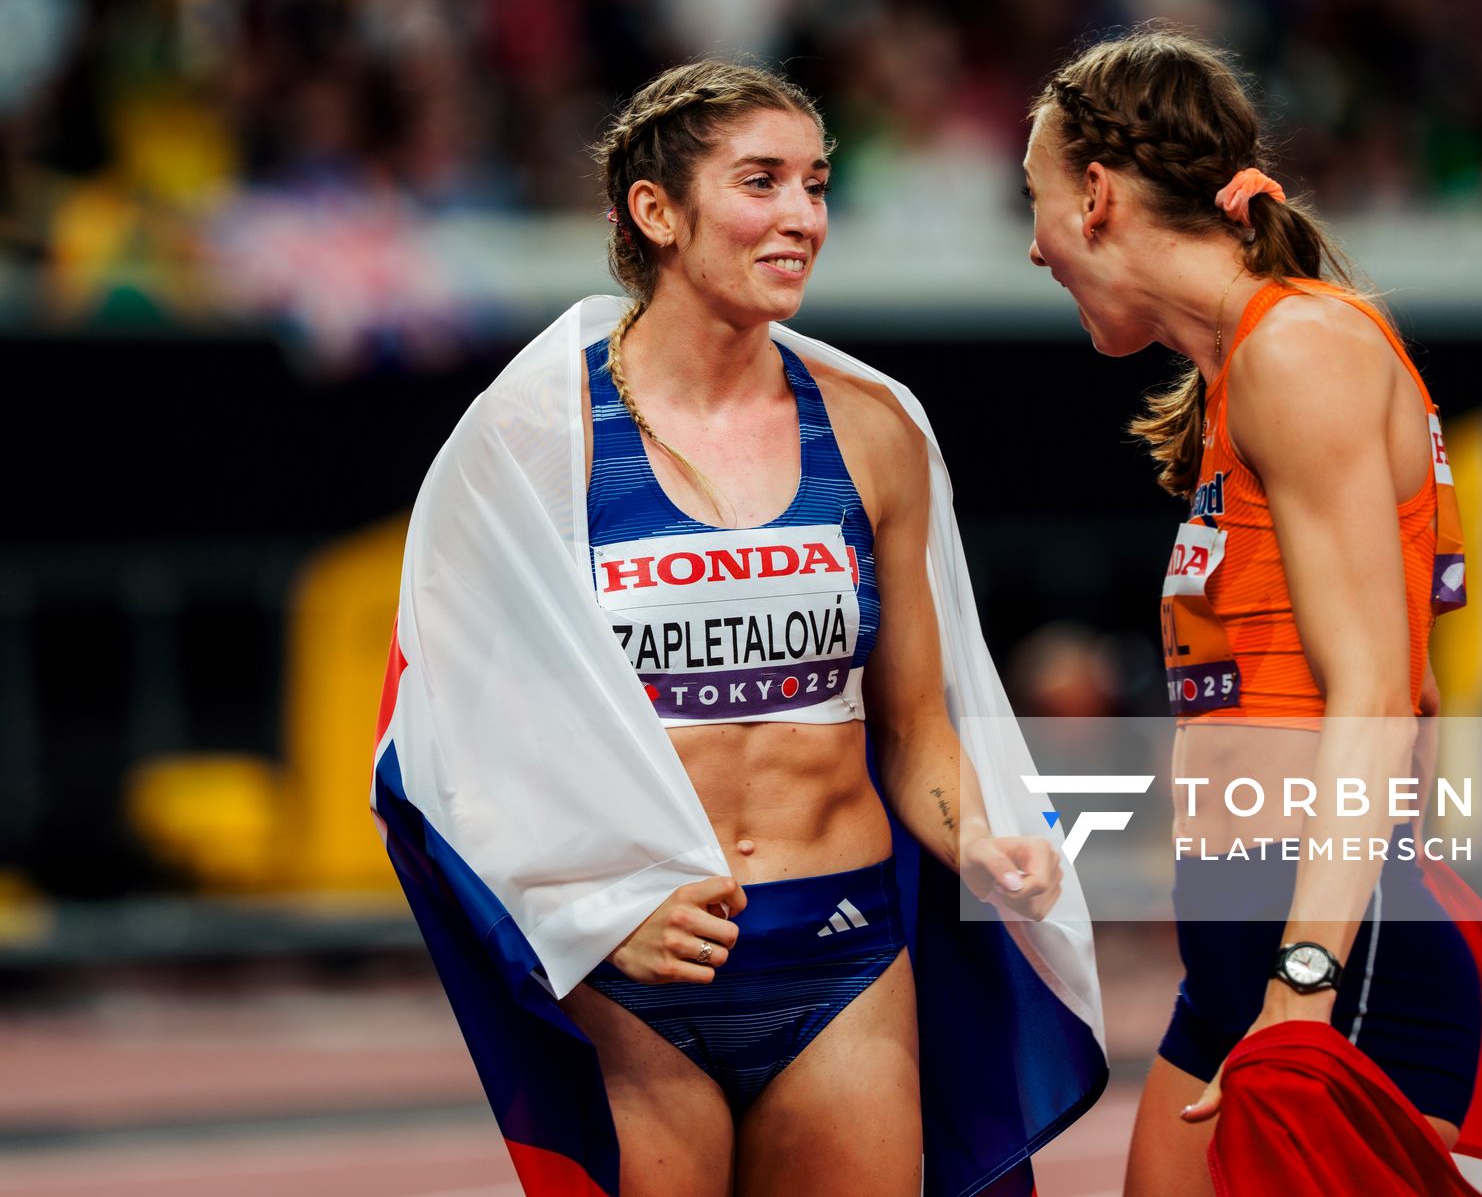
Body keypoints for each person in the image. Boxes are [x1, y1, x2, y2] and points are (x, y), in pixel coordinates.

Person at [373, 59, 1106, 1197]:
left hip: (845, 949)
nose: (803, 217)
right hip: (641, 975)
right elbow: (450, 739)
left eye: (816, 183)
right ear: (655, 211)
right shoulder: (528, 441)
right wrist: (593, 917)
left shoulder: (875, 432)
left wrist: (981, 841)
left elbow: (916, 730)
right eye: (760, 182)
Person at [1021, 26, 1482, 1195]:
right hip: (1248, 926)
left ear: (1093, 197)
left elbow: (1381, 693)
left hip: (1321, 942)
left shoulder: (1301, 350)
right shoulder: (1244, 374)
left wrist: (1307, 970)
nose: (1032, 248)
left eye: (1029, 201)